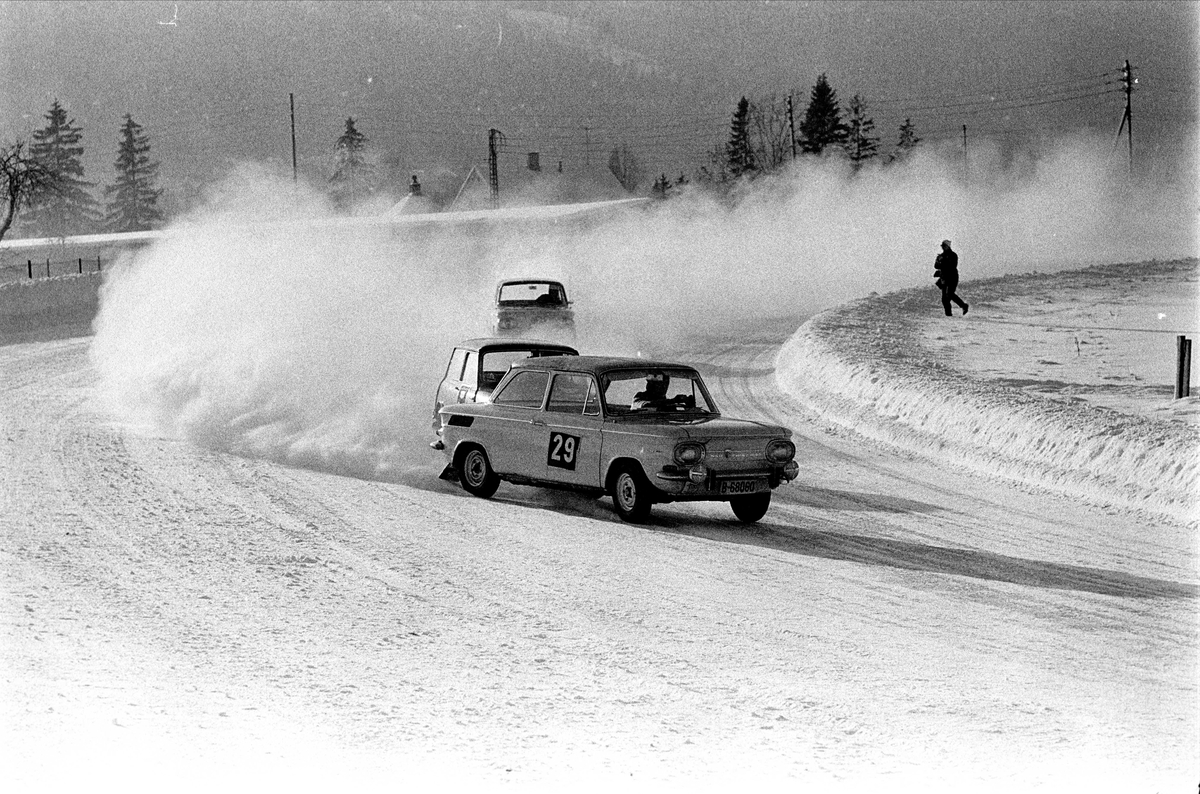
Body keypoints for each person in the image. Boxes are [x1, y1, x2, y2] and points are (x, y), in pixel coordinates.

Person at [934, 239, 969, 317]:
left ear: (948, 246)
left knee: (949, 294)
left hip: (952, 277)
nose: (943, 248)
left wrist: (942, 263)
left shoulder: (953, 255)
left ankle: (963, 306)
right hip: (944, 277)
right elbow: (936, 266)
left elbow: (952, 266)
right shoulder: (941, 256)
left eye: (944, 246)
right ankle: (949, 314)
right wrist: (939, 261)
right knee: (944, 298)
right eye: (942, 246)